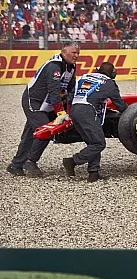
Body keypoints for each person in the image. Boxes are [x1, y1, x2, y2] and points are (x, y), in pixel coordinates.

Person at [7, 41, 80, 177]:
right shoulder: (54, 66)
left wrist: (69, 109)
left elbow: (70, 89)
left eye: (78, 53)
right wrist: (60, 113)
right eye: (73, 53)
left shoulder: (71, 67)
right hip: (34, 101)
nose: (76, 55)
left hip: (46, 104)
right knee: (45, 131)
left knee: (30, 134)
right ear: (64, 52)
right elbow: (54, 91)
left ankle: (16, 165)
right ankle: (30, 161)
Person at [62, 62, 128, 182]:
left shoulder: (84, 77)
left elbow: (70, 96)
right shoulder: (109, 83)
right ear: (112, 73)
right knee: (99, 144)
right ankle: (72, 161)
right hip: (88, 111)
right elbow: (119, 104)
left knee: (92, 143)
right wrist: (130, 113)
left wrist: (68, 113)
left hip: (75, 110)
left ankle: (93, 173)